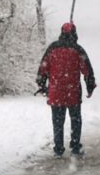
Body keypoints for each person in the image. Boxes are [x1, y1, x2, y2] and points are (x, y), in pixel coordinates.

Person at [35, 21, 96, 157]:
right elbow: (87, 70)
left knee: (57, 121)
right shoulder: (78, 50)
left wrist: (42, 85)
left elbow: (43, 68)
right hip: (72, 92)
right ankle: (75, 147)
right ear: (74, 34)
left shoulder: (52, 48)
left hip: (56, 92)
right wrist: (90, 86)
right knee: (75, 119)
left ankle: (58, 148)